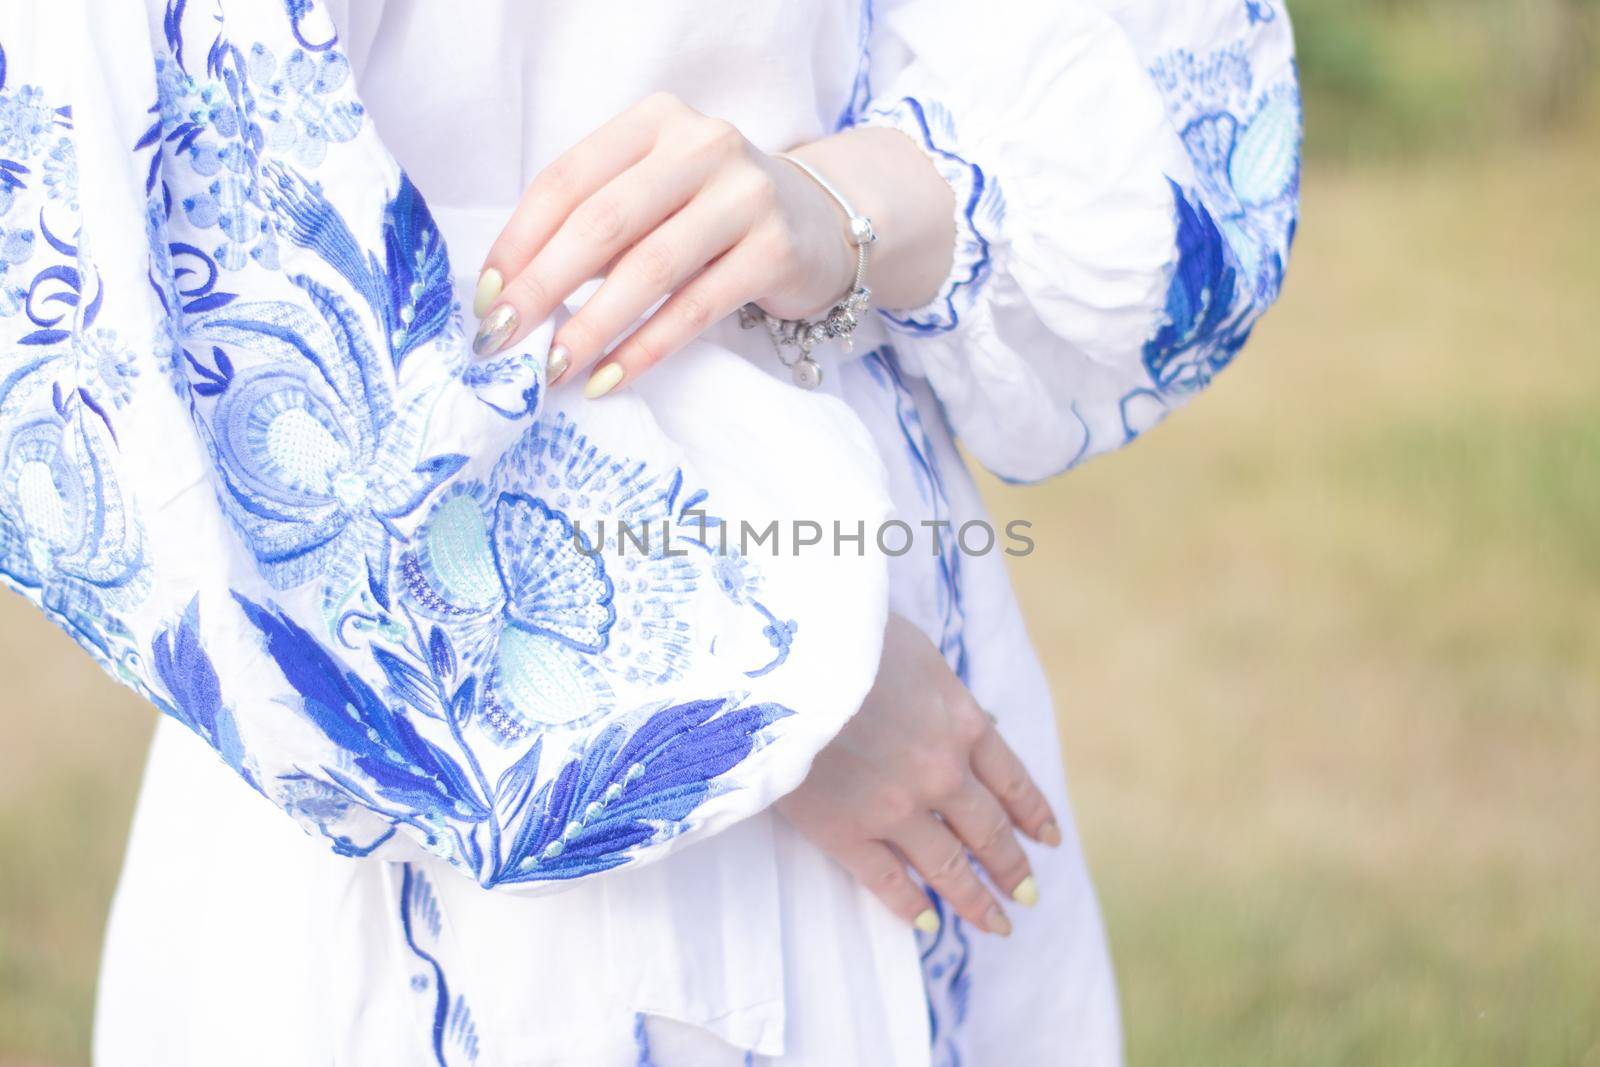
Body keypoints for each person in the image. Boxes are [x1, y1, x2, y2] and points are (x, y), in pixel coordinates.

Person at [0, 1, 1299, 1063]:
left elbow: (1166, 102)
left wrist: (841, 202)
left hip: (917, 667)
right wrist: (784, 679)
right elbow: (145, 266)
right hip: (471, 795)